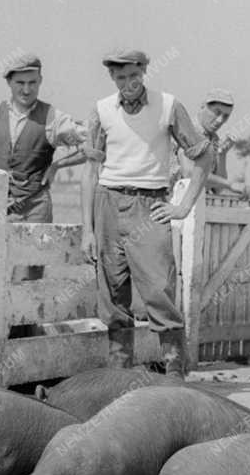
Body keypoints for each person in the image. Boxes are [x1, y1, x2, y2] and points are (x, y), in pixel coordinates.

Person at [82, 49, 214, 376]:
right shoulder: (101, 110)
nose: (128, 83)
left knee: (158, 290)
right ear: (112, 78)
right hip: (109, 202)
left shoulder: (168, 105)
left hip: (150, 204)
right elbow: (90, 170)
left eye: (133, 75)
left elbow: (203, 155)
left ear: (144, 71)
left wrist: (182, 207)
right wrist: (88, 228)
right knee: (112, 294)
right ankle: (120, 377)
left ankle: (175, 376)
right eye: (120, 77)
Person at [0, 52, 88, 282]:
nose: (26, 89)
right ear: (9, 83)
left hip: (35, 205)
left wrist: (58, 165)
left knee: (29, 271)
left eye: (32, 82)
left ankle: (27, 320)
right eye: (20, 83)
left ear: (40, 81)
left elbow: (93, 145)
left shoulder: (53, 117)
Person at [175, 89, 243, 196]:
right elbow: (189, 173)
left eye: (225, 116)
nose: (220, 120)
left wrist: (222, 154)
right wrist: (229, 184)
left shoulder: (213, 139)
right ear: (203, 106)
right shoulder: (188, 131)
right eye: (217, 112)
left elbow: (218, 189)